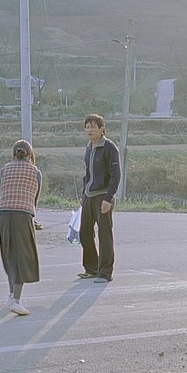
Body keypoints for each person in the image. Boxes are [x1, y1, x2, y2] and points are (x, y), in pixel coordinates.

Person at [0, 139, 42, 315]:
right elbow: (34, 201)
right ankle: (16, 300)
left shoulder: (4, 170)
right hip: (22, 216)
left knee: (9, 256)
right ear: (30, 155)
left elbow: (1, 195)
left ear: (13, 153)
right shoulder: (36, 172)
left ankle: (11, 295)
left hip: (2, 215)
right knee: (22, 258)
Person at [77, 113, 121, 283]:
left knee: (104, 235)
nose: (89, 130)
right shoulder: (89, 147)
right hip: (89, 196)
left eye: (93, 127)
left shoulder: (110, 147)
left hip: (103, 195)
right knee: (84, 233)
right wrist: (84, 194)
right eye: (87, 127)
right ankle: (92, 268)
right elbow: (87, 174)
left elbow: (116, 175)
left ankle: (105, 273)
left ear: (102, 129)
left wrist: (108, 198)